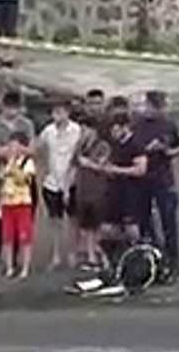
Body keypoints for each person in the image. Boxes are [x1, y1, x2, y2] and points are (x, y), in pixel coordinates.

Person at [0, 91, 36, 272]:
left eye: (15, 108)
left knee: (25, 216)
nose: (12, 112)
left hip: (24, 175)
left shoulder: (26, 124)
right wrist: (14, 150)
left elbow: (32, 150)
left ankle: (19, 255)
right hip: (3, 175)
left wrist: (13, 150)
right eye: (8, 108)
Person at [136, 90, 179, 278]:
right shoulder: (136, 125)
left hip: (163, 177)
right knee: (144, 220)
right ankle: (153, 255)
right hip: (142, 179)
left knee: (168, 219)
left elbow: (178, 148)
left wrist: (164, 149)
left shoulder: (168, 125)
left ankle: (173, 258)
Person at [37, 102, 83, 269]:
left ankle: (73, 253)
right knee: (55, 220)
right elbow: (38, 149)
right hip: (52, 182)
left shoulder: (77, 130)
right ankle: (56, 254)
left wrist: (70, 179)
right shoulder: (48, 131)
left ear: (68, 113)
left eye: (61, 112)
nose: (58, 116)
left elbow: (78, 155)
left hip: (71, 180)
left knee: (73, 220)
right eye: (55, 112)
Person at [102, 112, 152, 243]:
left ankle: (139, 249)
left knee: (132, 228)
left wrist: (117, 170)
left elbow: (141, 170)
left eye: (116, 130)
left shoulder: (136, 145)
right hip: (115, 191)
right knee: (107, 229)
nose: (113, 134)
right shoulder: (114, 144)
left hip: (133, 192)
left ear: (125, 127)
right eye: (112, 131)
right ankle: (121, 249)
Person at [0, 132, 37, 279]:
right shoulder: (3, 163)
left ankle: (25, 267)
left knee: (24, 236)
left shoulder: (27, 162)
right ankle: (9, 266)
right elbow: (2, 182)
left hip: (23, 203)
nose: (12, 148)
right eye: (10, 145)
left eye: (15, 145)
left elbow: (24, 180)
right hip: (7, 204)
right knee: (7, 237)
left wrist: (13, 165)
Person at [72, 123, 111, 271]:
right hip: (83, 190)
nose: (83, 132)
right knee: (87, 226)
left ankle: (104, 256)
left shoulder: (103, 146)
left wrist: (87, 163)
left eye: (86, 129)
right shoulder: (80, 146)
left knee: (99, 225)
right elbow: (74, 163)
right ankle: (90, 256)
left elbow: (102, 166)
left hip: (98, 191)